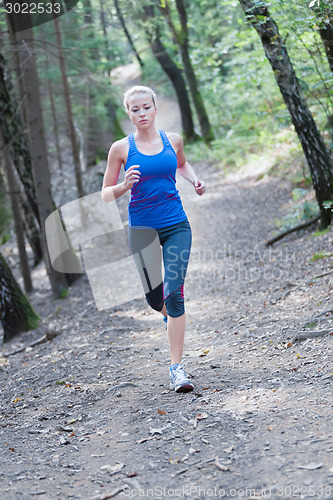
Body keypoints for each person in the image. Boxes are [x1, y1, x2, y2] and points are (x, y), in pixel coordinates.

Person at [102, 85, 205, 393]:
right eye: (135, 109)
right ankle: (171, 318)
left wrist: (195, 180)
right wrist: (124, 186)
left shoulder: (173, 140)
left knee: (175, 295)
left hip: (176, 224)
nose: (142, 113)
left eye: (146, 107)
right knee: (154, 298)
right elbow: (106, 195)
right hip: (142, 229)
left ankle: (177, 370)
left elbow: (182, 163)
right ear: (128, 113)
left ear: (155, 108)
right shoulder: (120, 148)